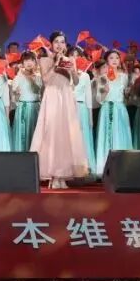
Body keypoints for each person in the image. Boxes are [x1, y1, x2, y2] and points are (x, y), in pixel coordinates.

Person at [29, 32, 89, 188]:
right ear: (51, 44)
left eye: (62, 42)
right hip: (52, 97)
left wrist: (73, 70)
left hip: (66, 97)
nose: (59, 45)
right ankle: (53, 175)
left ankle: (62, 175)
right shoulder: (45, 60)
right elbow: (45, 80)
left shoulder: (70, 59)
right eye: (56, 41)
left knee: (65, 135)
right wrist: (56, 64)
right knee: (52, 133)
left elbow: (75, 81)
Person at [93, 51, 133, 177]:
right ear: (106, 61)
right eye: (111, 58)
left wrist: (128, 93)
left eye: (117, 58)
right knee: (107, 137)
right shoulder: (102, 77)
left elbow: (127, 97)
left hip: (120, 109)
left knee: (120, 135)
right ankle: (105, 168)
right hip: (106, 109)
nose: (115, 60)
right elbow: (99, 99)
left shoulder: (124, 77)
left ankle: (123, 167)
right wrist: (105, 91)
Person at [70, 47, 98, 176]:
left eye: (77, 55)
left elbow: (88, 97)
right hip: (68, 108)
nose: (75, 58)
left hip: (81, 109)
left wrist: (90, 118)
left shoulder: (86, 75)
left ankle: (85, 168)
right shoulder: (64, 73)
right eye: (72, 55)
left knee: (83, 139)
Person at [10, 51, 42, 153]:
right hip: (23, 107)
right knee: (22, 133)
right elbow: (14, 96)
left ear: (35, 62)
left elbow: (38, 91)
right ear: (22, 63)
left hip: (36, 107)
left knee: (35, 133)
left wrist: (31, 78)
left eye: (32, 60)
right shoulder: (18, 77)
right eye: (26, 60)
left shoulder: (39, 76)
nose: (29, 63)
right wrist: (16, 93)